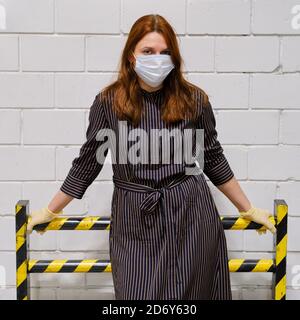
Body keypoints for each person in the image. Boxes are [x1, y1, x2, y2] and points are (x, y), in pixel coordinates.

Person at [27, 14, 276, 300]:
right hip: (134, 218)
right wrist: (51, 210)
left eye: (165, 52)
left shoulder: (194, 100)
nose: (157, 59)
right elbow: (88, 163)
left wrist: (247, 208)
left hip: (190, 215)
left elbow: (213, 158)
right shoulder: (108, 103)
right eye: (148, 51)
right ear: (131, 56)